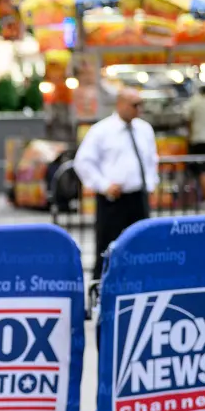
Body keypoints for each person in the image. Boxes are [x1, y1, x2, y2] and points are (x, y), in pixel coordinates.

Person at [74, 88, 160, 280]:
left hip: (139, 197)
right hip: (113, 200)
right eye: (134, 104)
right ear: (120, 104)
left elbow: (151, 160)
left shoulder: (144, 129)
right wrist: (103, 185)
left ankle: (138, 286)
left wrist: (151, 184)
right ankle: (101, 289)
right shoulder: (102, 130)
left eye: (141, 104)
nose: (139, 109)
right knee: (107, 248)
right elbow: (83, 162)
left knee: (141, 246)